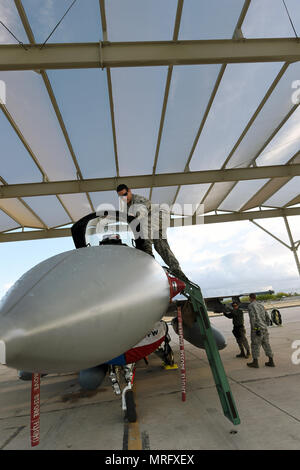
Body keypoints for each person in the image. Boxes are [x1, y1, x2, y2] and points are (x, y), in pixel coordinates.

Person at [116, 184, 189, 283]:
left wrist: (142, 244)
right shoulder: (127, 206)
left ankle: (148, 256)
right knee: (161, 246)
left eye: (125, 194)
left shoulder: (138, 200)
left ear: (130, 191)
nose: (123, 198)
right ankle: (177, 271)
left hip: (159, 216)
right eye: (121, 196)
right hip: (155, 222)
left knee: (144, 226)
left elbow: (142, 212)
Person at [247, 293, 275, 368]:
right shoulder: (261, 305)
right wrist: (266, 325)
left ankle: (255, 362)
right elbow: (267, 316)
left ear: (250, 298)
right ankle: (271, 361)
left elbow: (253, 318)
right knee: (266, 344)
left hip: (257, 329)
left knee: (255, 345)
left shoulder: (251, 306)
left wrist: (255, 328)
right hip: (264, 328)